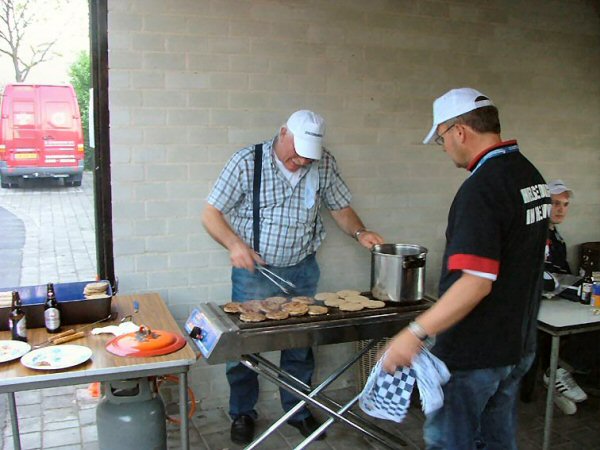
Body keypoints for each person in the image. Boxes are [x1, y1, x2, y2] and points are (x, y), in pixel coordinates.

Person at [201, 109, 384, 445]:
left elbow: (340, 208)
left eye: (306, 157)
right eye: (295, 154)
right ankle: (242, 412)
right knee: (245, 348)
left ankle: (298, 409)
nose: (300, 161)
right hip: (255, 273)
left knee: (300, 346)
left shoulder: (323, 162)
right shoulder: (247, 161)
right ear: (283, 132)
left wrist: (360, 233)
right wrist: (234, 244)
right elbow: (210, 213)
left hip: (303, 269)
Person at [382, 88, 550, 449]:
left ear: (460, 131)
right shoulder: (530, 175)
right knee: (496, 440)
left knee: (452, 442)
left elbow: (475, 284)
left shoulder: (482, 189)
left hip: (477, 353)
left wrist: (414, 333)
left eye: (441, 137)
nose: (443, 148)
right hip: (518, 345)